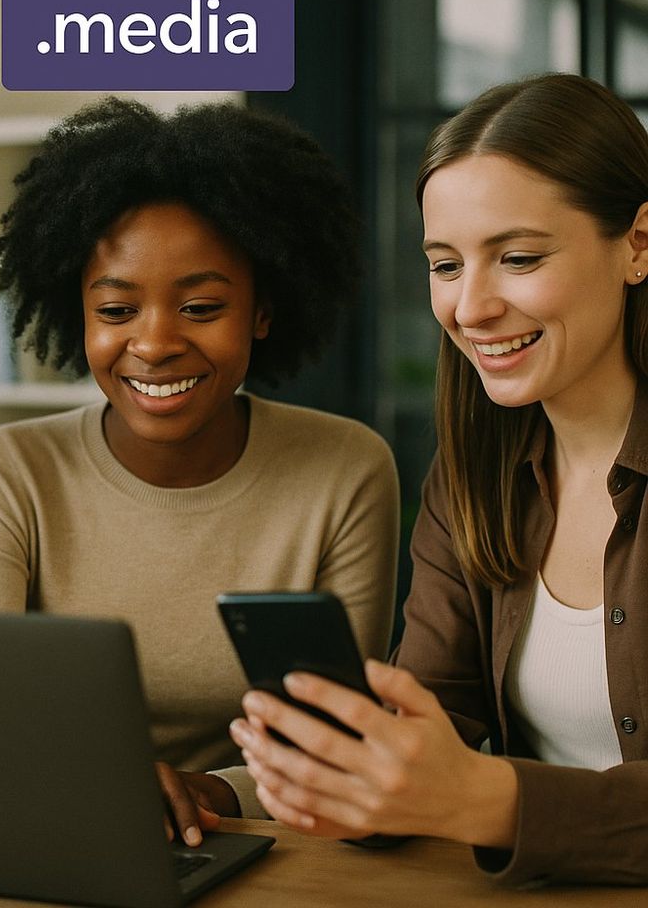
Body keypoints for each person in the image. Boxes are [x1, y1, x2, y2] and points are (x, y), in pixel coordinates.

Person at [0, 97, 399, 845]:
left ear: (263, 310)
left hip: (265, 844)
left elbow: (333, 742)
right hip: (47, 833)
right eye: (116, 310)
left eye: (202, 306)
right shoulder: (8, 476)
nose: (153, 344)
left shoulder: (344, 470)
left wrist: (202, 792)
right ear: (76, 313)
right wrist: (107, 788)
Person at [232, 72, 648, 887]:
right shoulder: (473, 479)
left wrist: (487, 801)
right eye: (445, 265)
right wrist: (354, 771)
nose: (471, 307)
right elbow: (438, 707)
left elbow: (470, 791)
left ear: (637, 244)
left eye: (519, 257)